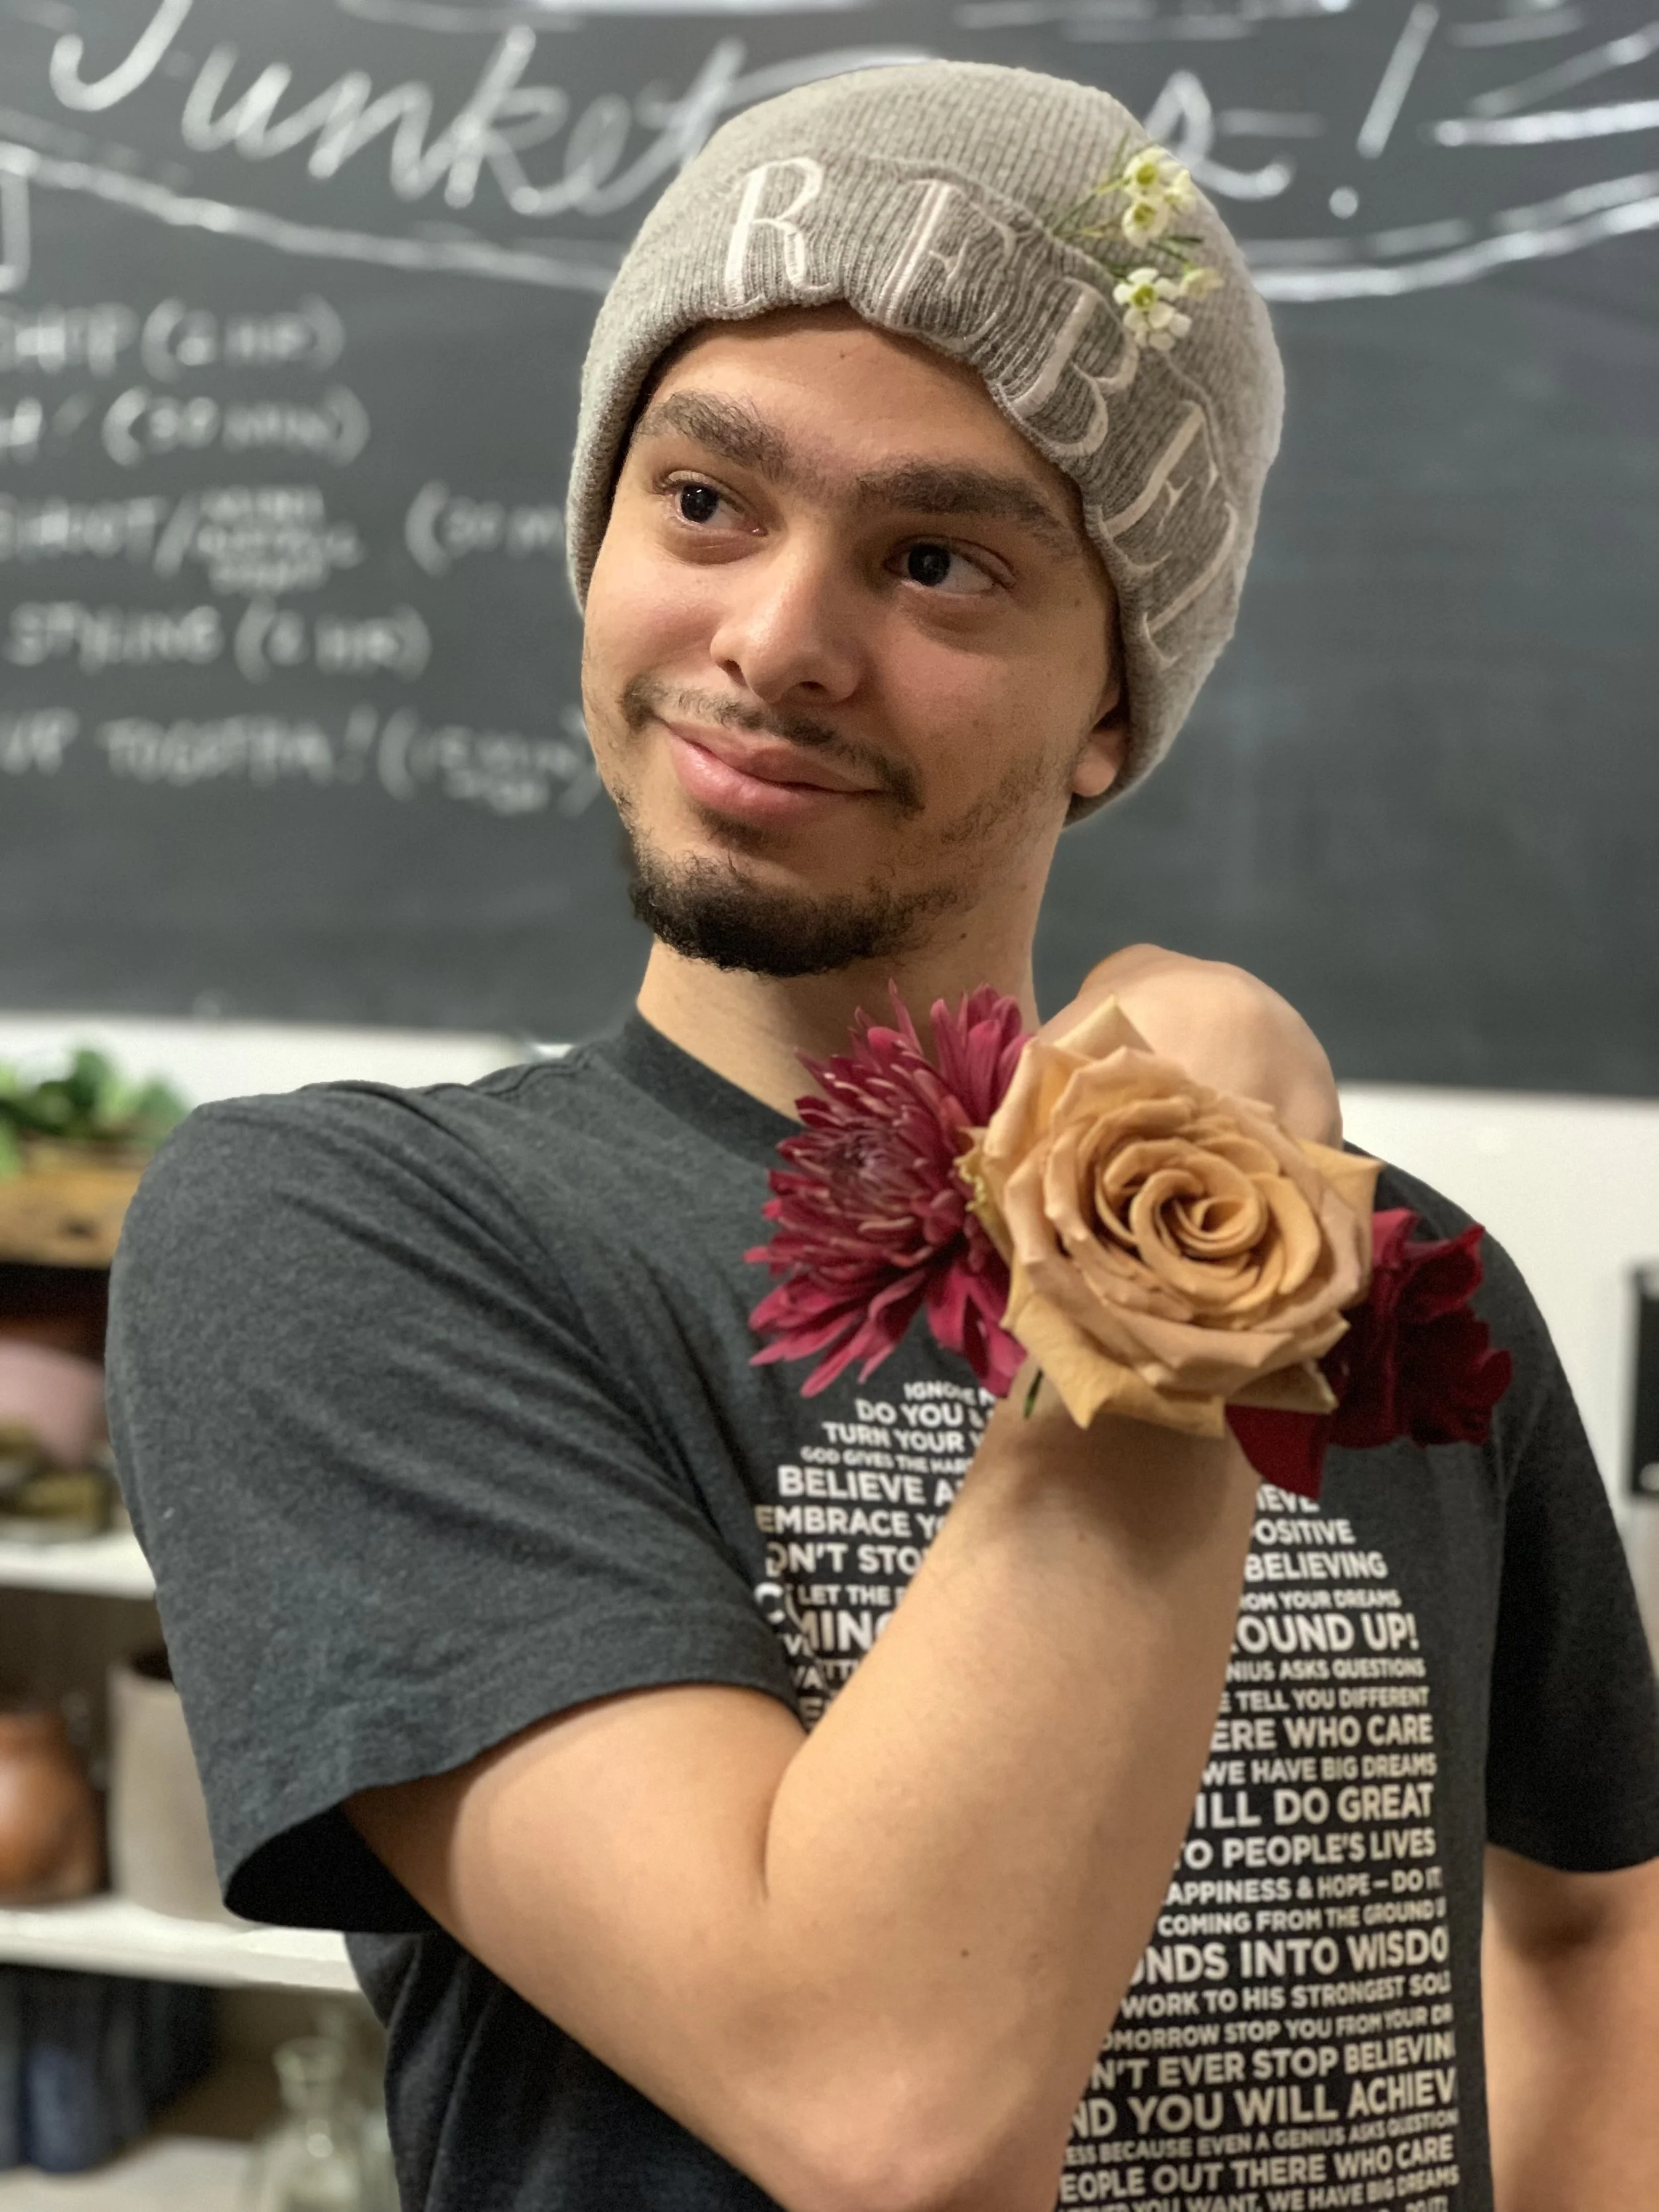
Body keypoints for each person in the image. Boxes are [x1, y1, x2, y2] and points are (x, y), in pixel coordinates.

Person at [107, 60, 1659, 2212]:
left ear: (1111, 698)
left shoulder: (1413, 1282)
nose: (773, 641)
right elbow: (882, 2098)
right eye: (706, 502)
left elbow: (1591, 1915)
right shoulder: (349, 1240)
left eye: (937, 561)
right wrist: (1178, 1206)